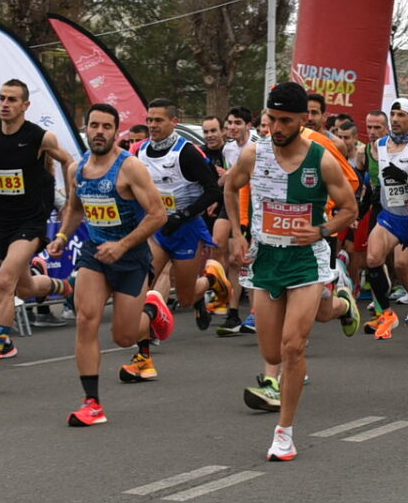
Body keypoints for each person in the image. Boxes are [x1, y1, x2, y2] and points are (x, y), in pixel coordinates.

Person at [219, 81, 362, 462]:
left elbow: (350, 208)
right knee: (270, 350)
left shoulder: (321, 159)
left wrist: (322, 230)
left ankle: (285, 432)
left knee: (292, 346)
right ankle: (342, 304)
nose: (276, 128)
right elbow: (230, 188)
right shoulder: (254, 154)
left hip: (305, 258)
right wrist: (237, 234)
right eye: (271, 119)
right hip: (266, 257)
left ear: (303, 120)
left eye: (285, 120)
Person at [47, 104, 170, 426]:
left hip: (131, 259)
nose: (99, 131)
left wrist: (123, 244)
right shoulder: (77, 169)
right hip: (95, 255)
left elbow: (158, 214)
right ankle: (92, 403)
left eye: (106, 126)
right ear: (85, 128)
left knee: (124, 338)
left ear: (117, 132)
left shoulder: (130, 168)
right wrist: (61, 236)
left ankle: (152, 311)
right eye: (94, 125)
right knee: (86, 320)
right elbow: (75, 208)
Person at [0, 79, 79, 383]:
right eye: (2, 98)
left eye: (12, 99)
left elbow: (68, 161)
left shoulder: (39, 136)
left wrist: (69, 201)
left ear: (25, 105)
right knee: (24, 288)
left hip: (29, 222)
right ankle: (65, 286)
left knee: (3, 281)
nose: (5, 104)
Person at [118, 99, 225, 384]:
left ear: (174, 122)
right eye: (149, 120)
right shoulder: (139, 151)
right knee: (144, 288)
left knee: (187, 297)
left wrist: (184, 214)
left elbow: (213, 191)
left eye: (159, 120)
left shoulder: (187, 153)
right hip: (157, 230)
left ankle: (212, 279)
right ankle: (143, 358)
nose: (152, 125)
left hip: (185, 230)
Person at [362, 97, 408, 341]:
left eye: (401, 115)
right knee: (372, 258)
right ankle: (386, 314)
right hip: (389, 216)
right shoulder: (379, 145)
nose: (395, 119)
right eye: (393, 115)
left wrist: (406, 179)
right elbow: (371, 181)